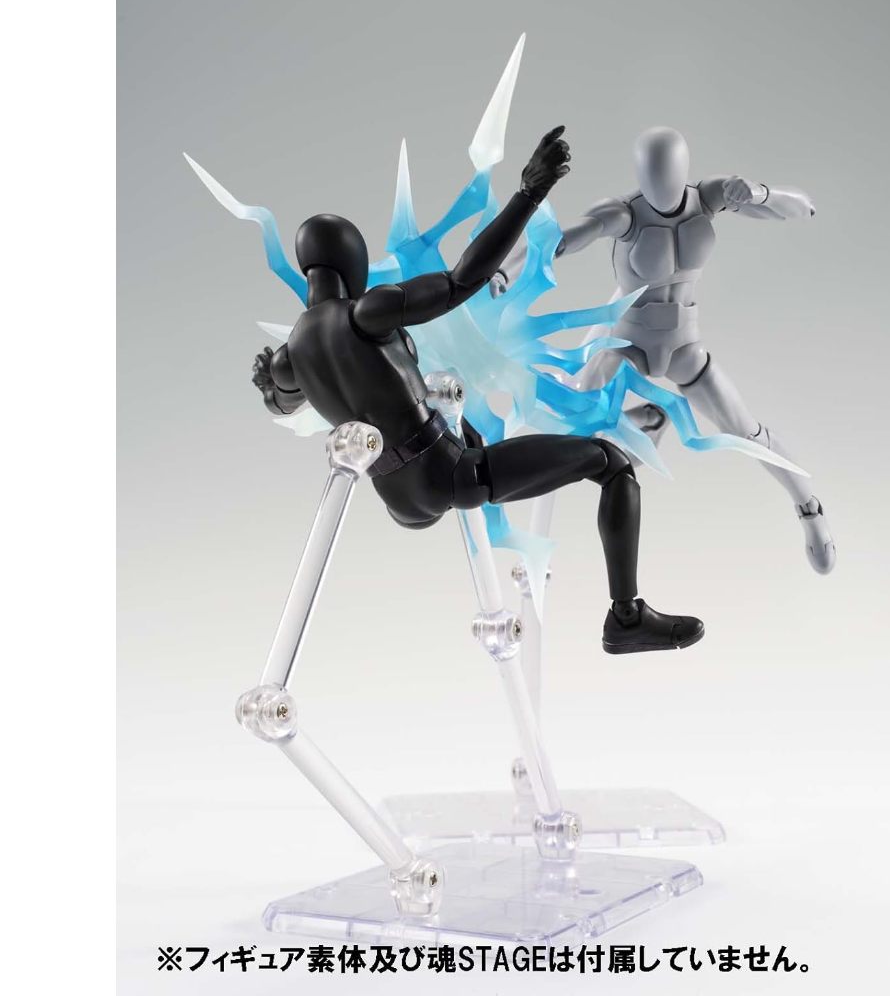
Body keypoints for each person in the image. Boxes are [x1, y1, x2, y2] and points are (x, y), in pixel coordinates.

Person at [251, 127, 704, 655]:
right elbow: (463, 279)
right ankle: (625, 618)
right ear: (352, 261)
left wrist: (267, 383)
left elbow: (281, 399)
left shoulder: (290, 356)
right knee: (612, 464)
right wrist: (529, 193)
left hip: (397, 494)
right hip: (449, 474)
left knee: (483, 431)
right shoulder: (365, 312)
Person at [492, 126, 836, 574]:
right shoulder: (623, 214)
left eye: (669, 172)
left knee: (746, 432)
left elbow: (803, 207)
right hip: (626, 341)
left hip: (684, 345)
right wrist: (503, 271)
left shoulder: (708, 197)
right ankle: (527, 539)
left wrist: (758, 193)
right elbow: (558, 241)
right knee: (573, 420)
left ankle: (810, 509)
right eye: (653, 173)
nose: (662, 184)